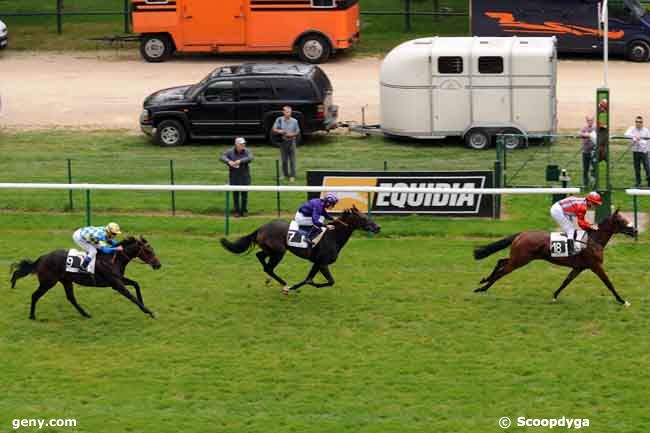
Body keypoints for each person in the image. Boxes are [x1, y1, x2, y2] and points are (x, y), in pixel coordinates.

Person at [221, 137, 254, 217]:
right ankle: (236, 211)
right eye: (241, 144)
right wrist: (229, 161)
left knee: (244, 195)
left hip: (244, 176)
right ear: (236, 144)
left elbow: (250, 158)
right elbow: (222, 157)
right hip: (234, 177)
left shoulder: (247, 151)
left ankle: (244, 211)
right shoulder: (230, 151)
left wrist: (240, 161)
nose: (243, 145)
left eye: (244, 144)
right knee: (235, 195)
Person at [272, 106, 300, 183]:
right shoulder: (279, 120)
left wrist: (292, 134)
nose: (288, 113)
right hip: (283, 142)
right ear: (283, 112)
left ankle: (292, 176)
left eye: (290, 112)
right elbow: (274, 129)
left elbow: (297, 131)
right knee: (284, 160)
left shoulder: (295, 121)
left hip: (291, 142)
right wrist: (280, 131)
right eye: (287, 112)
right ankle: (285, 174)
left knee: (292, 160)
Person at [624, 115, 650, 187]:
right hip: (635, 152)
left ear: (642, 123)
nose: (638, 123)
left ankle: (649, 182)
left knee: (647, 167)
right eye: (636, 122)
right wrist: (634, 137)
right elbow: (626, 134)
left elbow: (646, 142)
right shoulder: (632, 128)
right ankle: (638, 183)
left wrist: (639, 140)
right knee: (637, 168)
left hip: (644, 151)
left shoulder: (646, 130)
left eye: (640, 122)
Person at [578, 115, 596, 188]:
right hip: (585, 152)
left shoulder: (596, 128)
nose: (590, 122)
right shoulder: (584, 128)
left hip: (594, 152)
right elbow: (579, 133)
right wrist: (585, 134)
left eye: (591, 120)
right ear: (586, 121)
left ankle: (595, 183)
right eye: (588, 120)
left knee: (595, 168)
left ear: (593, 121)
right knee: (585, 169)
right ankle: (585, 184)